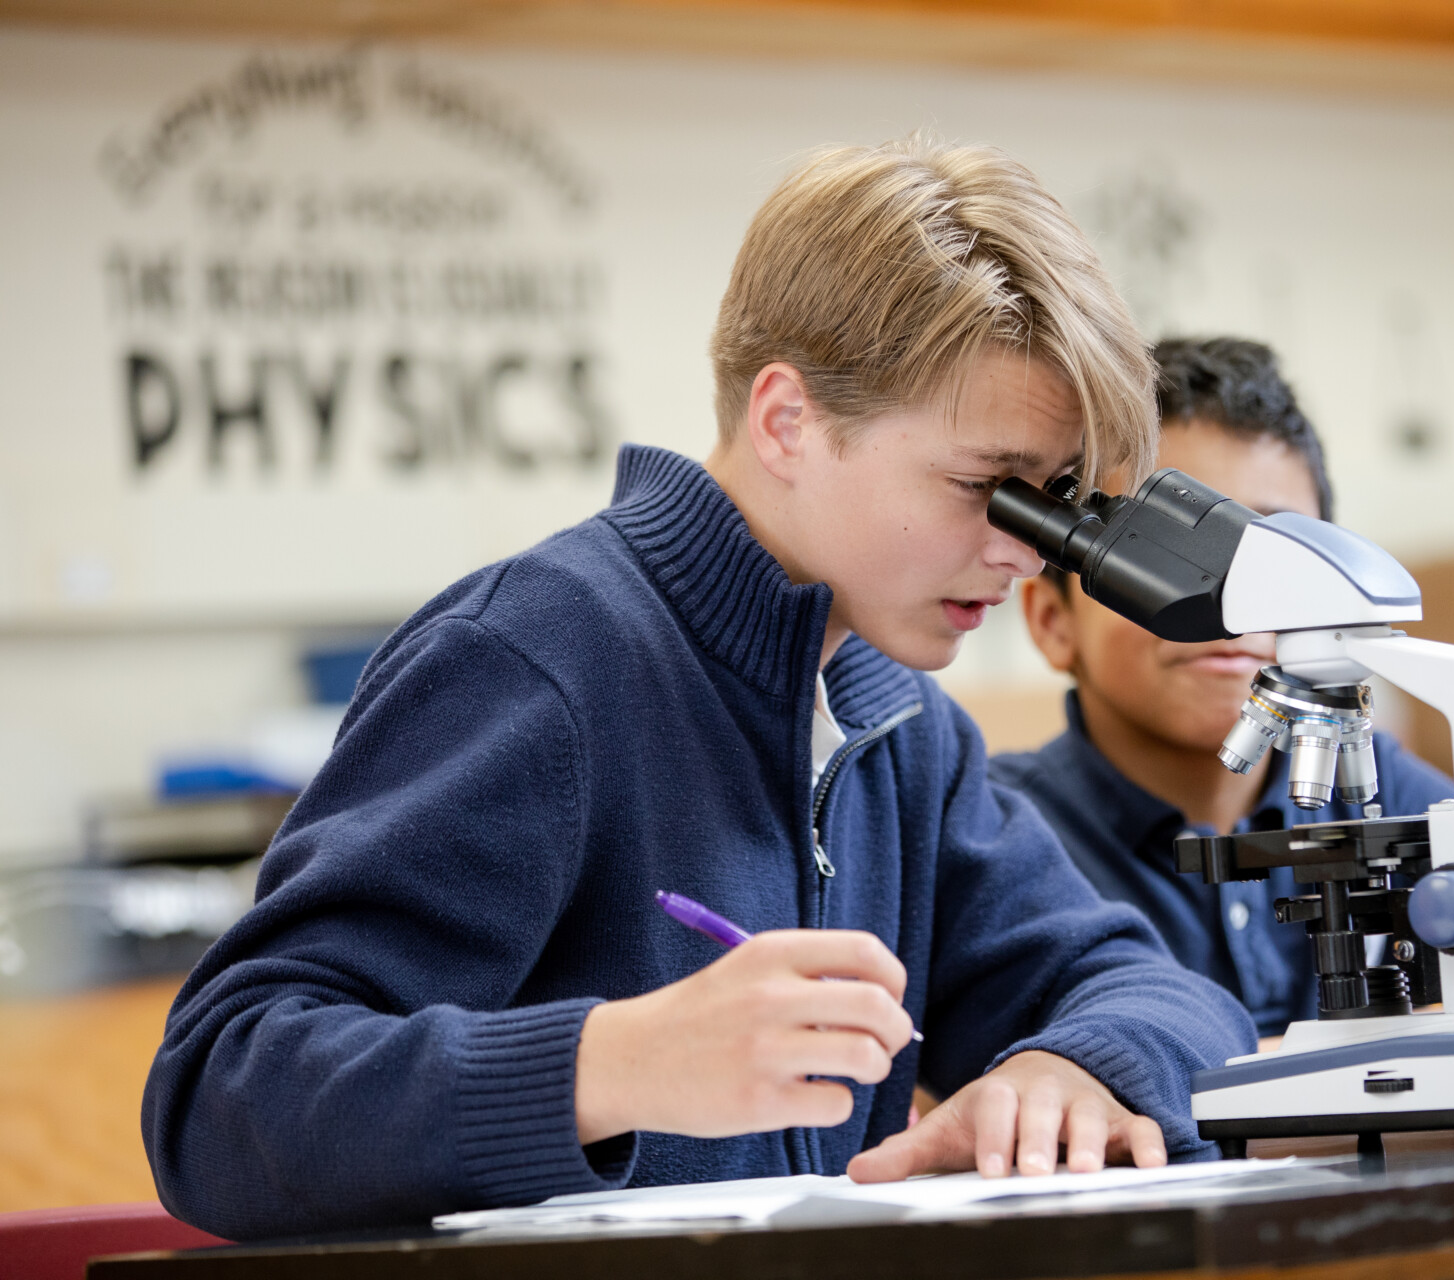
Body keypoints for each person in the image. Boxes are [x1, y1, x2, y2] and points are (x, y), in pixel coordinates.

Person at [142, 139, 1259, 1241]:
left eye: (1052, 496)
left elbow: (1162, 992)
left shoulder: (900, 722)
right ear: (787, 422)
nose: (1025, 552)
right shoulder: (538, 657)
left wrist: (1079, 1066)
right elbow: (218, 1099)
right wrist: (609, 1066)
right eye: (985, 486)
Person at [993, 336, 1454, 1072]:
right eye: (1173, 555)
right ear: (1052, 621)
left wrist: (1285, 1070)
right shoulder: (997, 831)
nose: (1233, 605)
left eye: (1268, 554)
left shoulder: (1374, 785)